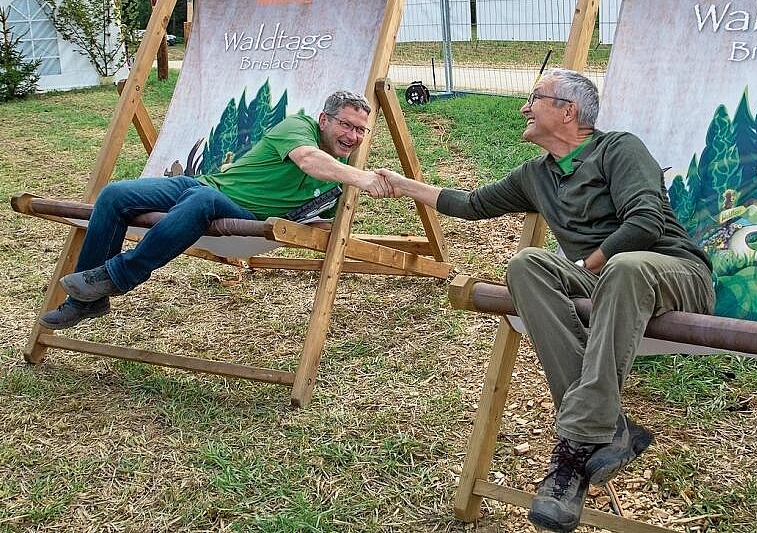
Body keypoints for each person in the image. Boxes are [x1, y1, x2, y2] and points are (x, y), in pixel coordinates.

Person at [377, 69, 714, 532]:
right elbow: (470, 203)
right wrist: (402, 183)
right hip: (610, 280)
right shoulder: (537, 175)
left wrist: (584, 267)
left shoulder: (618, 148)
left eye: (535, 97)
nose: (523, 107)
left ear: (568, 111)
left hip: (673, 274)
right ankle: (608, 426)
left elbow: (644, 225)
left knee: (625, 264)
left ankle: (573, 451)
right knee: (525, 266)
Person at [41, 90, 392, 330]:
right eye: (345, 125)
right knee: (115, 195)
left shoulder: (341, 177)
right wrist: (360, 177)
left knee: (201, 202)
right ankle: (87, 301)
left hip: (240, 212)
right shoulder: (299, 127)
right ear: (323, 119)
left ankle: (118, 275)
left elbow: (321, 220)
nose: (353, 136)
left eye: (361, 130)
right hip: (203, 184)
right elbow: (308, 159)